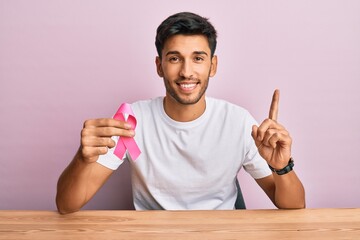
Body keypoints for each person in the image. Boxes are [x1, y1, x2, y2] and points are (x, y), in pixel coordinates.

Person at [56, 12, 305, 213]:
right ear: (159, 66)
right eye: (175, 58)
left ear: (213, 66)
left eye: (198, 58)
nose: (187, 72)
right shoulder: (132, 121)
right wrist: (82, 159)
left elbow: (294, 205)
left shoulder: (238, 122)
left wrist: (281, 167)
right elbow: (67, 205)